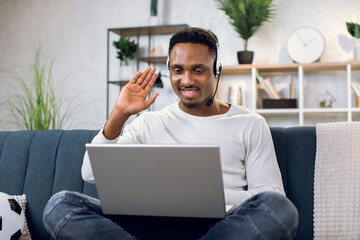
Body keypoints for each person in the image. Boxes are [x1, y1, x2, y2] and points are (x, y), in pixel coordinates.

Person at [43, 27, 298, 240]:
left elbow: (271, 194)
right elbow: (89, 173)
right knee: (59, 205)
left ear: (217, 69)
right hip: (145, 226)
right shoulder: (148, 122)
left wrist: (201, 196)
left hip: (220, 227)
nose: (186, 80)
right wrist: (120, 113)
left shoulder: (250, 123)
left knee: (280, 210)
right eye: (178, 70)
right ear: (169, 69)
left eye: (198, 70)